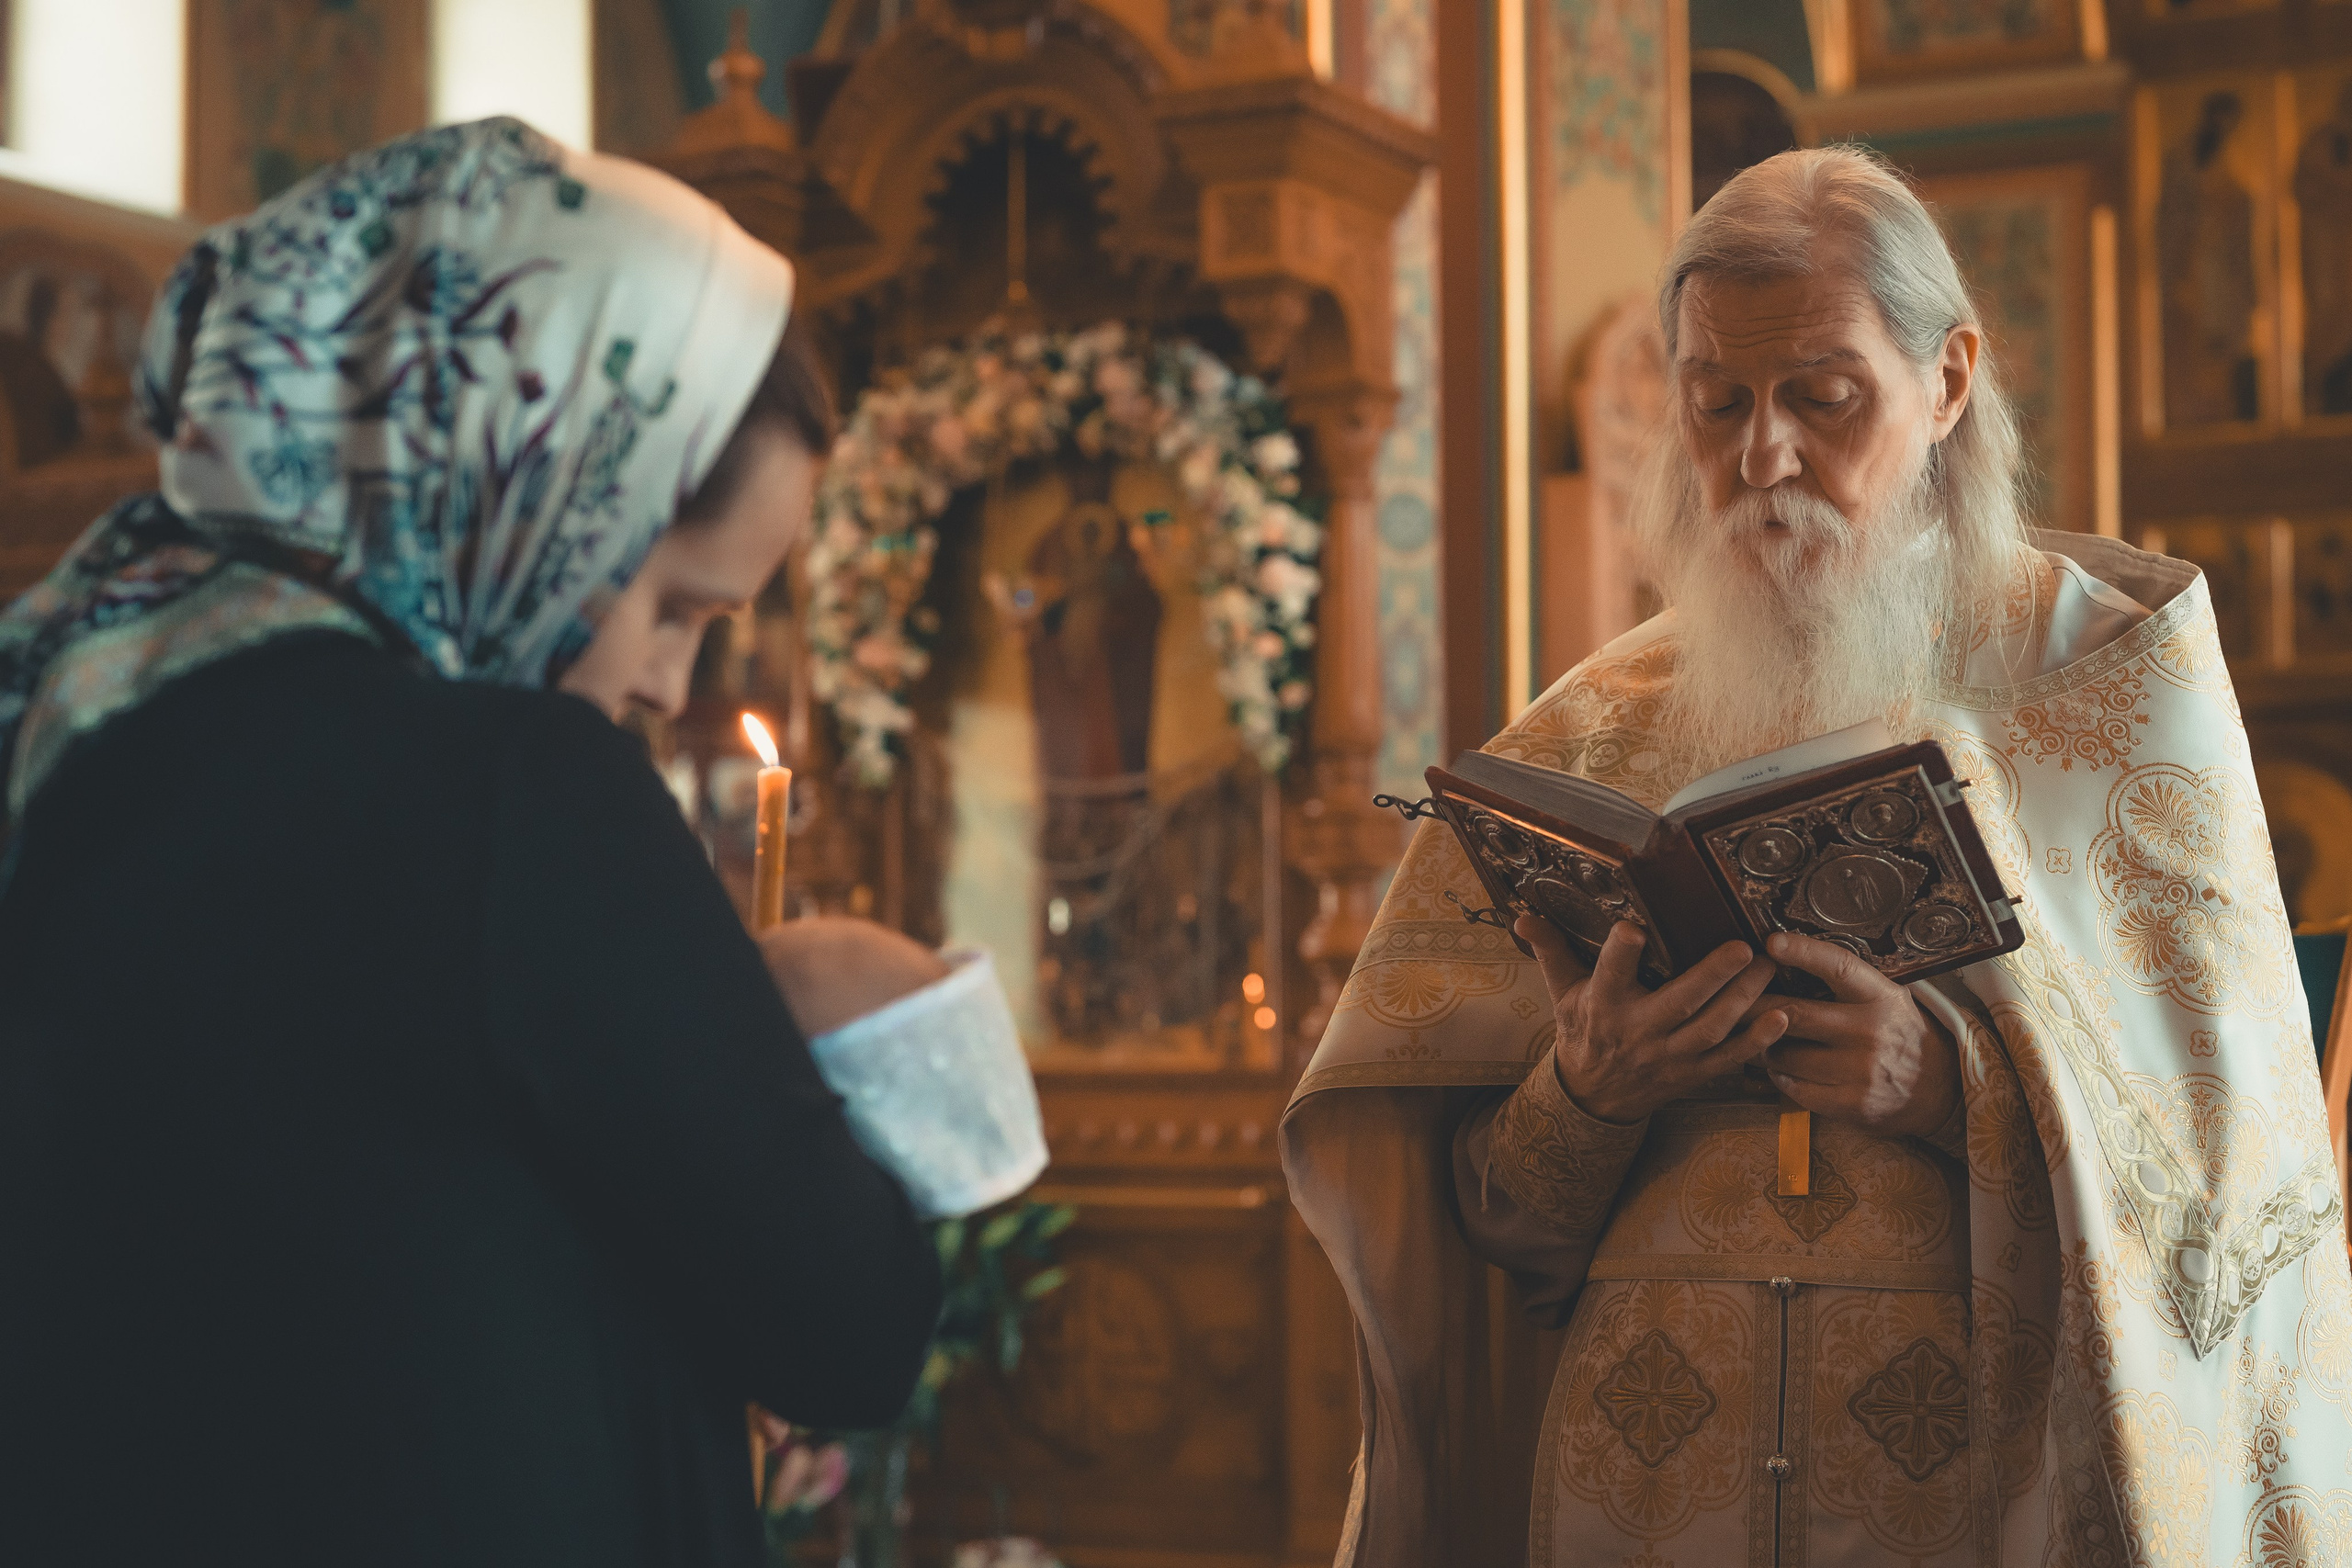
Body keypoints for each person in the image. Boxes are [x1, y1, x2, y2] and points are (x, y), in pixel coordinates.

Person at [1283, 147, 2352, 1567]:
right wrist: (1587, 1093)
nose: (1762, 454)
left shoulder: (2110, 697)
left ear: (1949, 380)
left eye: (1822, 399)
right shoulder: (1592, 735)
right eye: (1715, 402)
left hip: (1965, 1501)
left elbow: (2238, 1216)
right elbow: (1486, 1245)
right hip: (1649, 1491)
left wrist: (1951, 1087)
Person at [0, 119, 944, 1568]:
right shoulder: (515, 793)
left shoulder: (79, 713)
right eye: (675, 606)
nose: (668, 687)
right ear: (543, 489)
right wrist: (877, 1026)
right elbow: (851, 1325)